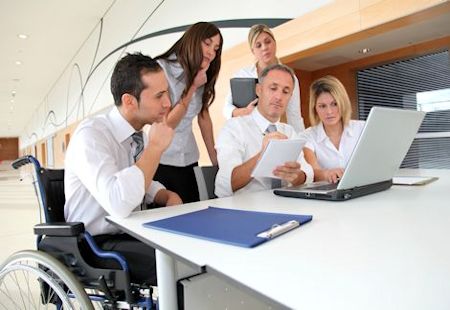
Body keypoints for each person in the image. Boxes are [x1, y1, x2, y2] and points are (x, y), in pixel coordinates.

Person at [64, 53, 182, 285]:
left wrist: (163, 194)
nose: (168, 103)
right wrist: (155, 148)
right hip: (95, 244)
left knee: (190, 248)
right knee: (176, 265)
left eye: (166, 92)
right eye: (159, 95)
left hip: (130, 231)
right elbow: (118, 202)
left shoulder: (138, 136)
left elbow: (139, 179)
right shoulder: (92, 135)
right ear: (129, 101)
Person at [215, 64, 313, 198]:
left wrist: (297, 177)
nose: (279, 96)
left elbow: (307, 173)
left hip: (287, 206)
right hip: (247, 212)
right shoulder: (234, 128)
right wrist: (262, 156)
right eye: (273, 88)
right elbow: (225, 186)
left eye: (285, 91)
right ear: (259, 90)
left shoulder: (289, 132)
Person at [154, 22, 223, 203]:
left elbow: (203, 117)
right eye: (207, 44)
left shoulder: (203, 73)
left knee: (194, 215)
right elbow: (167, 123)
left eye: (215, 48)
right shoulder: (161, 69)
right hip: (162, 160)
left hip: (189, 159)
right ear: (192, 41)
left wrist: (215, 160)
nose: (211, 52)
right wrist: (192, 86)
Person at [223, 24, 305, 133]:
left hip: (272, 134)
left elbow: (294, 116)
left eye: (268, 42)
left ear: (274, 43)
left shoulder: (289, 78)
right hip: (245, 133)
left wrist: (303, 146)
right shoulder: (242, 75)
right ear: (253, 51)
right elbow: (226, 108)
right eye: (258, 45)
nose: (264, 48)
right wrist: (245, 112)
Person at [302, 75, 365, 183]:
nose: (329, 112)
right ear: (315, 108)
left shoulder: (362, 128)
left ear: (342, 103)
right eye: (322, 106)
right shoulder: (307, 136)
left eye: (334, 104)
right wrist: (327, 174)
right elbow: (313, 172)